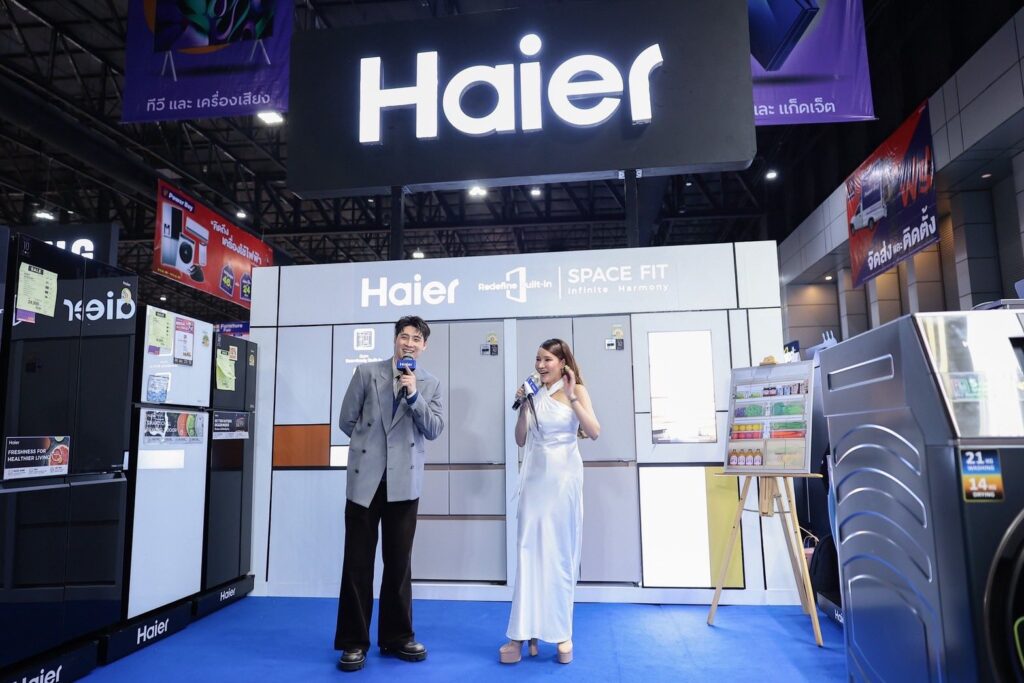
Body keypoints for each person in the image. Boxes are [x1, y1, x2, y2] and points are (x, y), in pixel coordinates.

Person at [334, 316, 445, 672]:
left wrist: (413, 396)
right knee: (357, 564)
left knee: (398, 565)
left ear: (424, 346)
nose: (409, 343)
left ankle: (397, 637)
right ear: (395, 340)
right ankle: (353, 642)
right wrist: (369, 450)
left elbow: (434, 429)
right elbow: (346, 420)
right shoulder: (367, 373)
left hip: (404, 485)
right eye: (404, 336)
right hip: (365, 482)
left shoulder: (429, 384)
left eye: (416, 339)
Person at [500, 338, 600, 665]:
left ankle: (561, 633)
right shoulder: (534, 393)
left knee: (559, 553)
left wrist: (572, 396)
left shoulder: (576, 390)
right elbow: (520, 439)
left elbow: (594, 431)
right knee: (528, 551)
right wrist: (523, 406)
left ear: (562, 363)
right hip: (533, 478)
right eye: (538, 359)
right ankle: (520, 632)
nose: (540, 365)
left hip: (564, 478)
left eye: (547, 360)